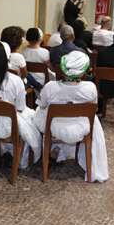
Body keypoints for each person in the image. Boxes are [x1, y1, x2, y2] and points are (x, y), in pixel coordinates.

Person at [33, 50, 108, 182]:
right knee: (93, 118)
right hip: (81, 127)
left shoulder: (50, 87)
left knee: (39, 110)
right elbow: (93, 108)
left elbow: (43, 105)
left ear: (62, 69)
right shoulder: (90, 88)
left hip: (54, 126)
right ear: (83, 71)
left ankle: (49, 152)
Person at [0, 41, 41, 167]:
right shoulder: (16, 81)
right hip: (9, 127)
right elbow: (21, 108)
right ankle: (19, 160)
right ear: (8, 59)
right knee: (33, 120)